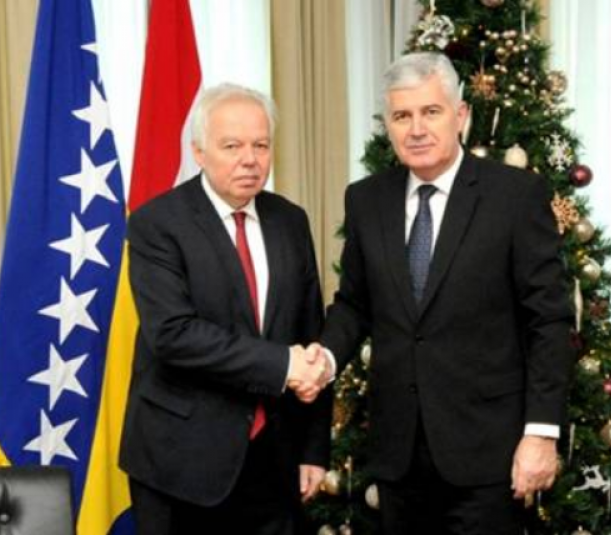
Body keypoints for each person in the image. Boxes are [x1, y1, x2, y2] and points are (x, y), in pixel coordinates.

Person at [314, 52, 575, 534]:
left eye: (430, 112)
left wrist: (540, 433)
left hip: (489, 457)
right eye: (402, 116)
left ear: (461, 115)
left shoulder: (515, 197)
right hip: (398, 456)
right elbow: (354, 303)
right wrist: (325, 359)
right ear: (388, 125)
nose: (416, 129)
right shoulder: (367, 199)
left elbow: (549, 321)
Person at [119, 83, 332, 535]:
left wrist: (313, 449)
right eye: (232, 146)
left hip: (274, 459)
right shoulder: (157, 223)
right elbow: (173, 334)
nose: (249, 160)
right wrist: (283, 364)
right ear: (199, 152)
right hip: (181, 461)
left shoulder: (290, 220)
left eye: (261, 145)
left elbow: (310, 330)